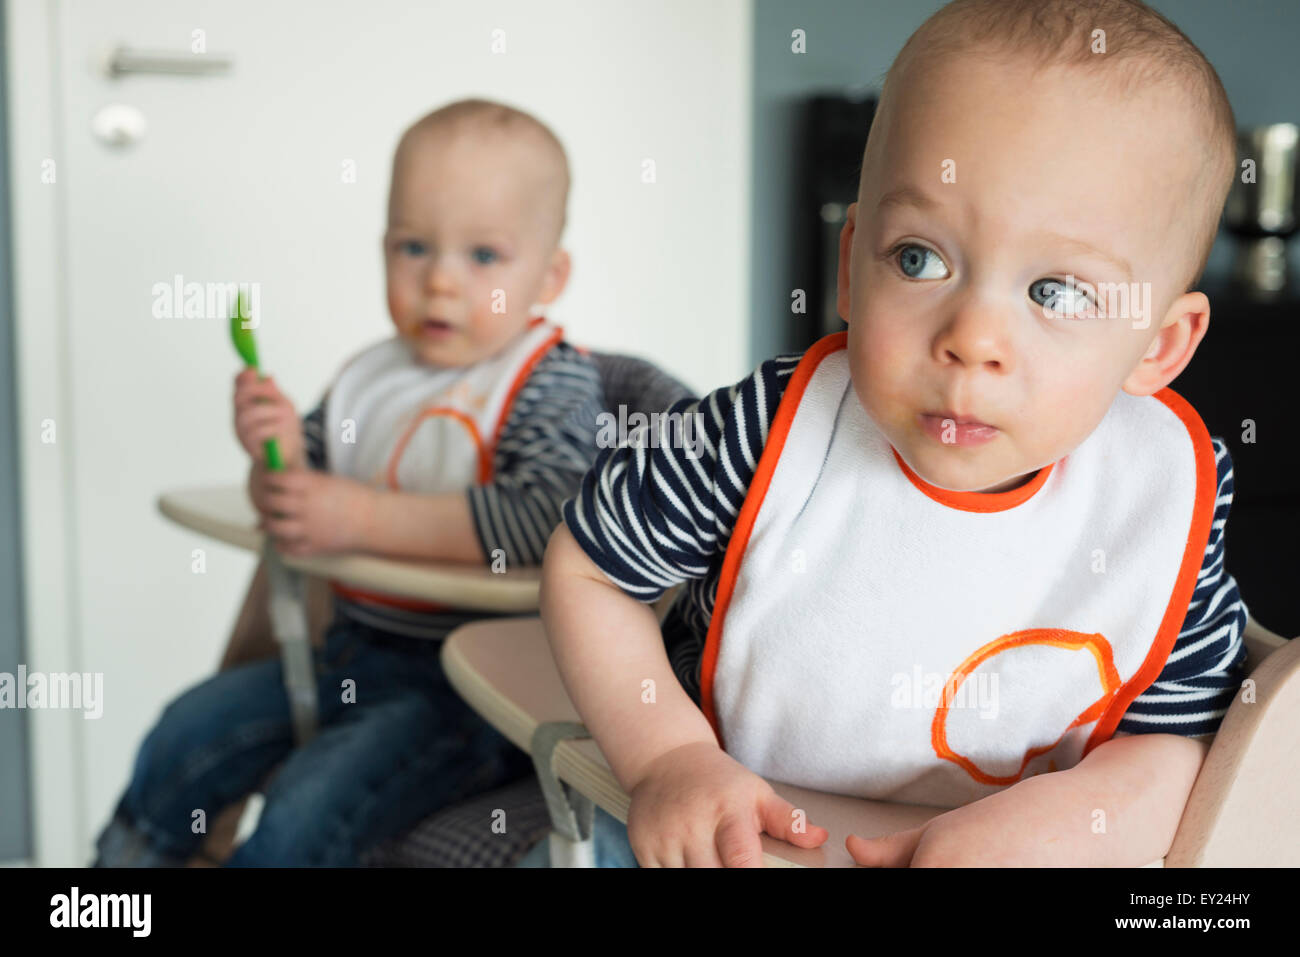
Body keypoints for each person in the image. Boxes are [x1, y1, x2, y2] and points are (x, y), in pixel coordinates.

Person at [525, 0, 1250, 867]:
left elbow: (1184, 737)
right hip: (724, 834)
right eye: (919, 258)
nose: (972, 339)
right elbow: (592, 568)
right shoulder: (767, 435)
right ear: (852, 262)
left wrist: (1054, 825)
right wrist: (667, 757)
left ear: (1159, 345)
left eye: (1057, 292)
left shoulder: (1156, 495)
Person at [96, 98, 604, 866]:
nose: (438, 282)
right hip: (348, 654)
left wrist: (359, 519)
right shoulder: (372, 377)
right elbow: (302, 496)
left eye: (484, 257)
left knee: (304, 813)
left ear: (549, 274)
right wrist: (274, 457)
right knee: (183, 736)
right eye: (413, 247)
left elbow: (545, 517)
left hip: (467, 695)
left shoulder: (547, 382)